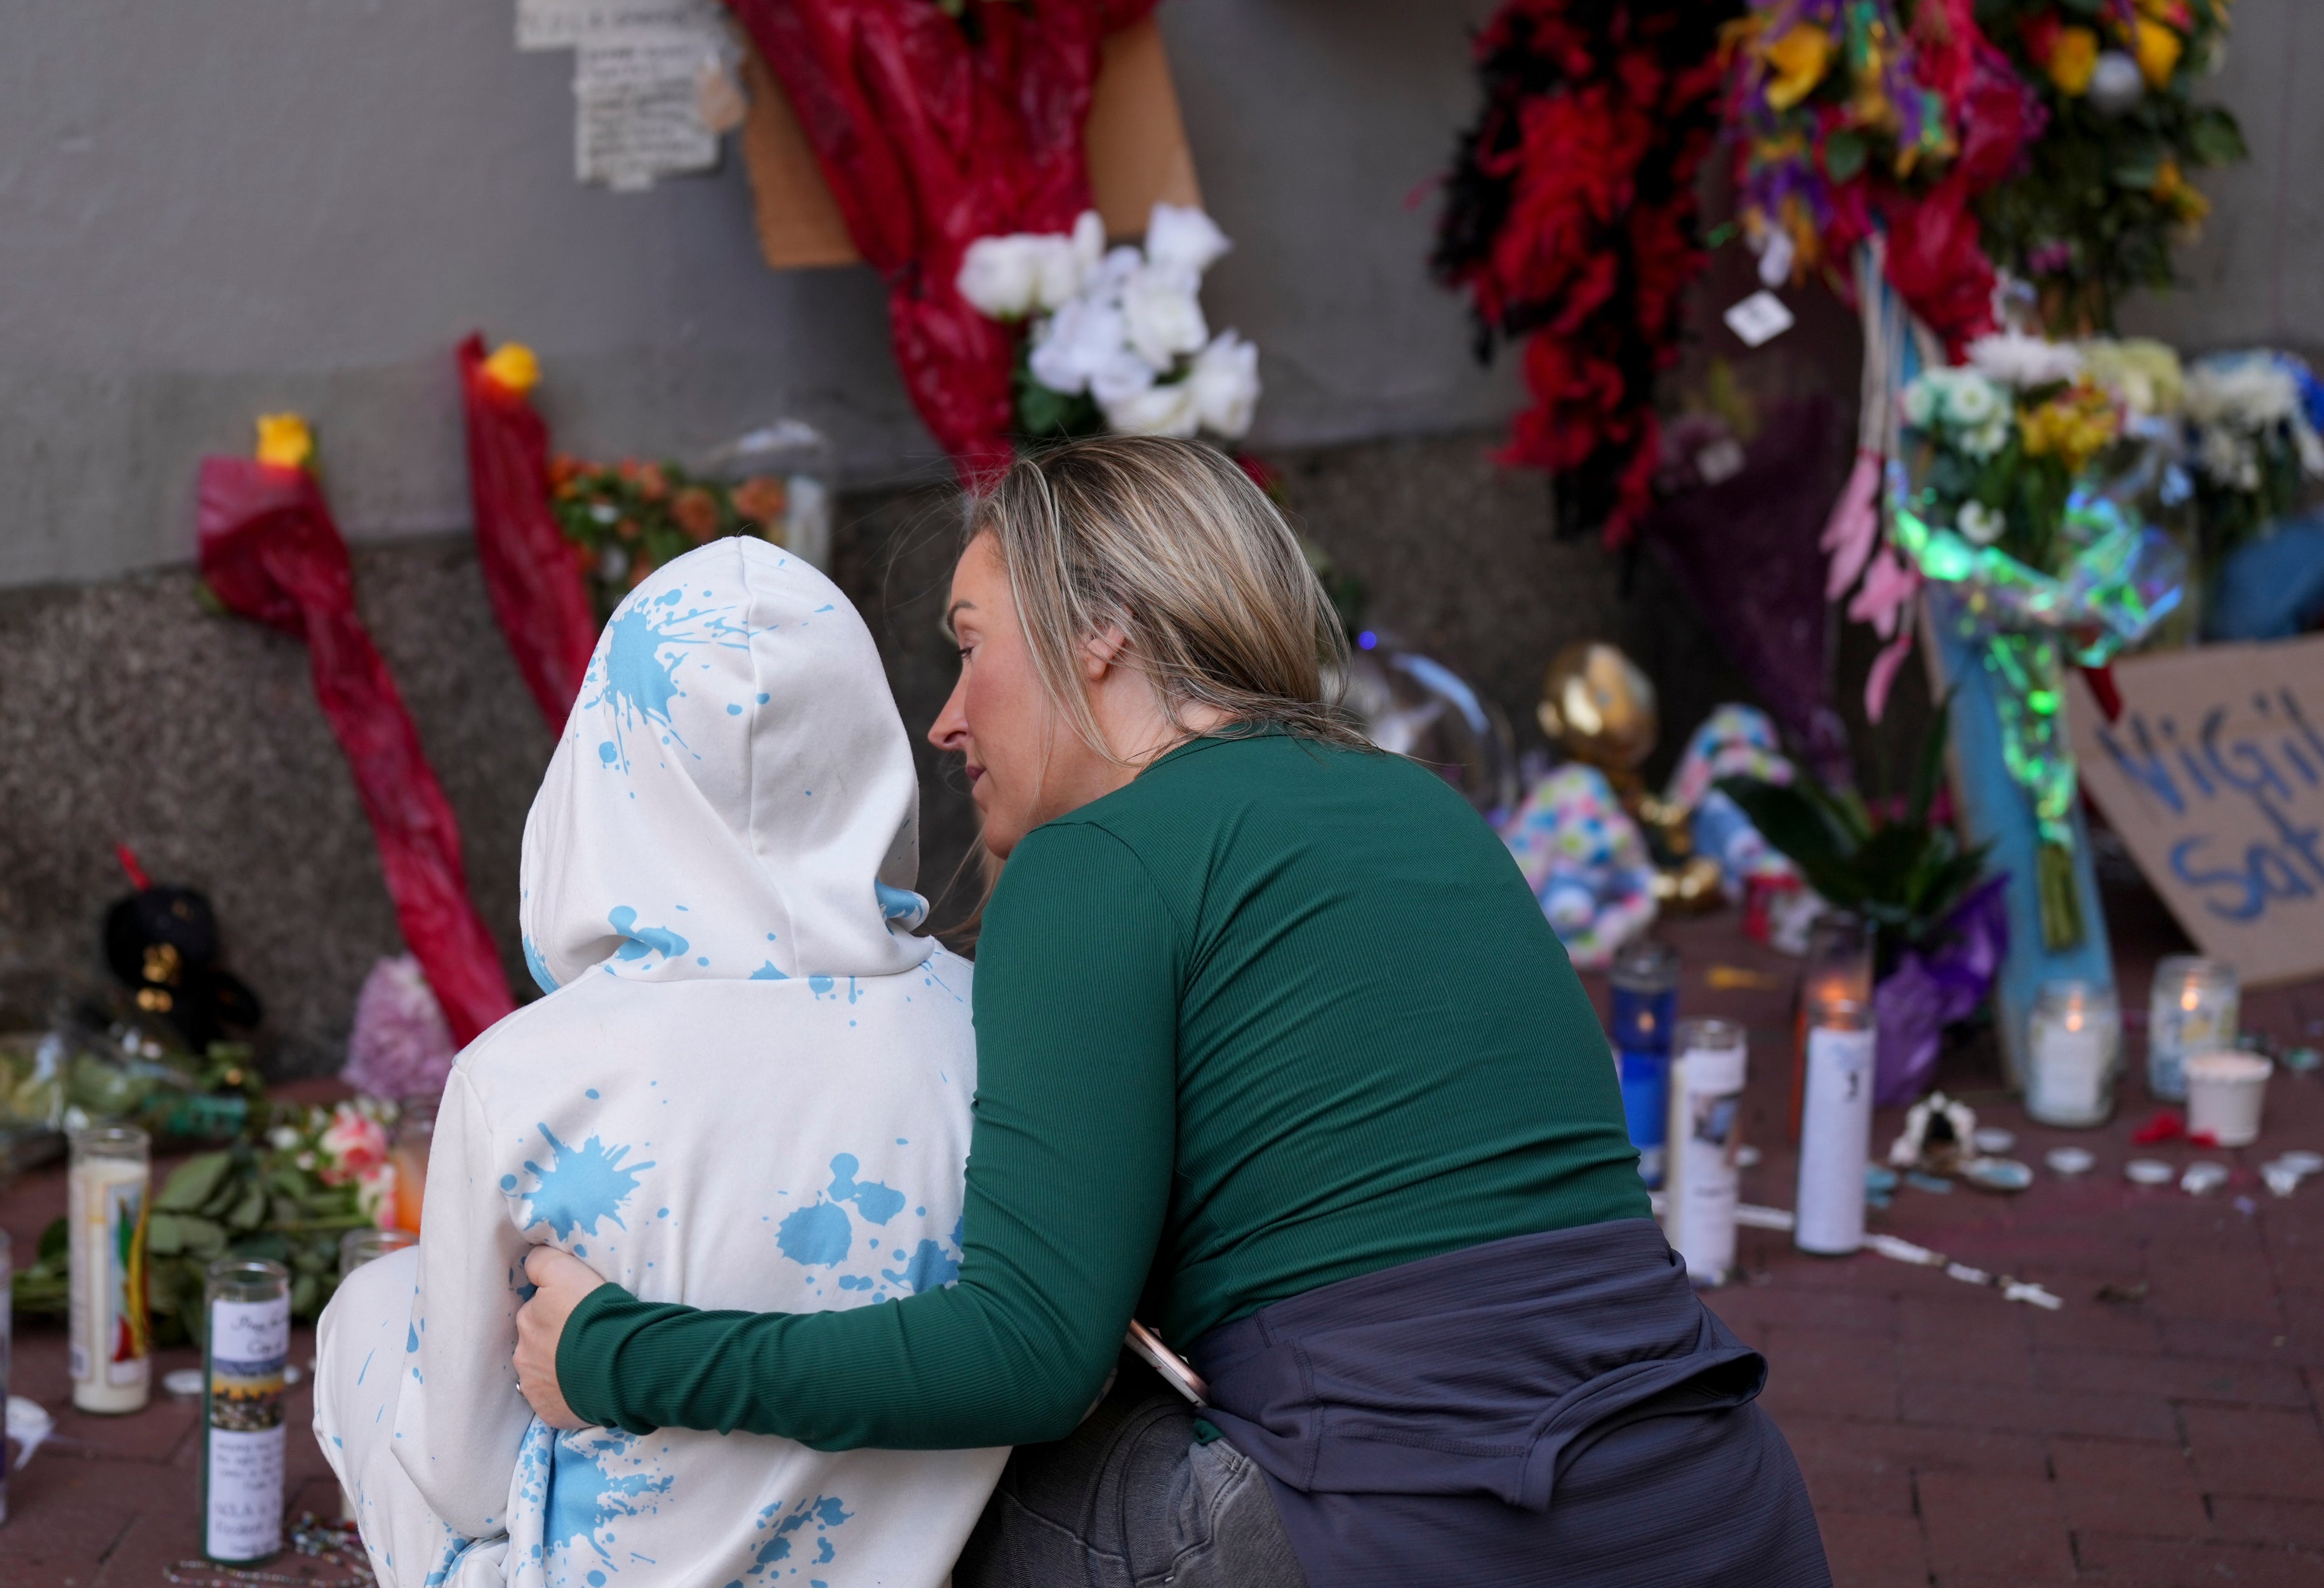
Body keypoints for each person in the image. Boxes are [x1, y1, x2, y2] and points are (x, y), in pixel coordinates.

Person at [513, 438, 1830, 1587]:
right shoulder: (1415, 801)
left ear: (1103, 633)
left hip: (1425, 1544)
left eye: (970, 647)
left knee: (933, 1492)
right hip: (1726, 1511)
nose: (946, 720)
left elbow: (1024, 1358)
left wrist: (618, 1354)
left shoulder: (1102, 860)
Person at [311, 536, 1007, 1588]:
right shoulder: (988, 1029)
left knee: (369, 1307)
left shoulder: (524, 1077)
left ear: (609, 758)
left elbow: (463, 1481)